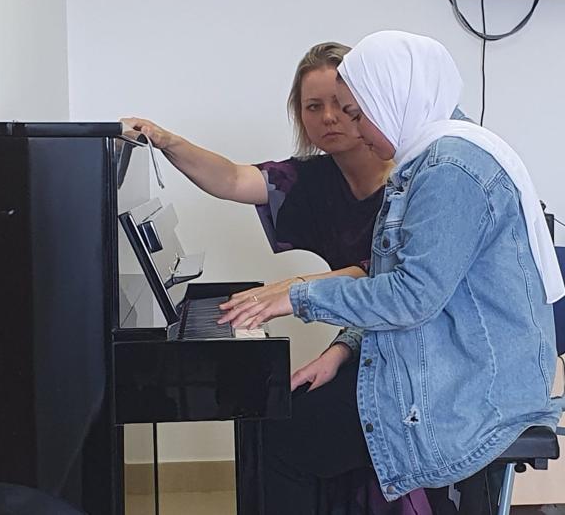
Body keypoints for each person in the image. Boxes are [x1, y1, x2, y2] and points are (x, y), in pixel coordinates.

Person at [219, 30, 565, 509]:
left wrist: (298, 295)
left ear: (395, 100)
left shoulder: (450, 171)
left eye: (360, 114)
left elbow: (409, 298)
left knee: (280, 437)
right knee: (284, 415)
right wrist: (341, 350)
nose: (354, 130)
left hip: (470, 393)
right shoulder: (430, 158)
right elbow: (405, 290)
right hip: (449, 364)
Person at [123, 43, 444, 513]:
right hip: (368, 342)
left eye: (344, 106)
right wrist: (167, 140)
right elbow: (233, 179)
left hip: (419, 360)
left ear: (370, 105)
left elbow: (385, 280)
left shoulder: (419, 179)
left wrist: (294, 294)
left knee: (285, 430)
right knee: (271, 407)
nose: (330, 117)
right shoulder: (313, 178)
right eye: (314, 106)